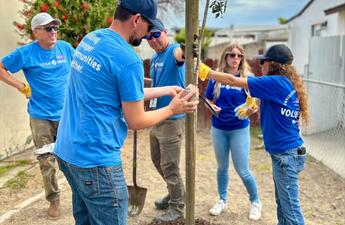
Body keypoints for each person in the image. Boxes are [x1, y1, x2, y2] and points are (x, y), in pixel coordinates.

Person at [53, 1, 199, 224]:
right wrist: (173, 108)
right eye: (149, 28)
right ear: (137, 19)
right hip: (96, 161)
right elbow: (136, 120)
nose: (148, 34)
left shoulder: (92, 39)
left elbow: (117, 90)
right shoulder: (128, 59)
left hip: (68, 152)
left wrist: (167, 90)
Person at [198, 44, 309, 225]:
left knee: (291, 212)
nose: (260, 65)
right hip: (286, 153)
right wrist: (250, 105)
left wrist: (205, 71)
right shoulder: (282, 83)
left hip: (286, 155)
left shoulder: (275, 82)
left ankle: (255, 201)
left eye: (263, 62)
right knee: (283, 206)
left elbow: (233, 81)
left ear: (273, 64)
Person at [0, 12, 74, 219]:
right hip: (40, 116)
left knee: (72, 157)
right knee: (46, 160)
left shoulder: (66, 49)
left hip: (66, 114)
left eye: (55, 28)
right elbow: (1, 67)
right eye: (48, 28)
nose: (53, 32)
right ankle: (54, 200)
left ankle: (81, 195)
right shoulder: (26, 53)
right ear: (36, 32)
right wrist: (20, 85)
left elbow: (80, 71)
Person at [203, 44, 261, 219]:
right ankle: (222, 200)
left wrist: (252, 110)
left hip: (239, 129)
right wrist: (211, 105)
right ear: (225, 57)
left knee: (242, 169)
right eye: (232, 55)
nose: (236, 58)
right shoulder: (217, 76)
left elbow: (255, 104)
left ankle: (256, 202)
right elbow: (207, 98)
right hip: (219, 128)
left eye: (239, 56)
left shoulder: (247, 78)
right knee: (222, 167)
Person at [145, 19, 187, 222]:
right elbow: (157, 84)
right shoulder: (154, 58)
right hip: (156, 116)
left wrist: (187, 50)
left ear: (165, 32)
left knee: (170, 165)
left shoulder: (174, 51)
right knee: (157, 161)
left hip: (172, 119)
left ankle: (177, 207)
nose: (152, 40)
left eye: (155, 34)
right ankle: (175, 191)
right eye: (148, 37)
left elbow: (182, 56)